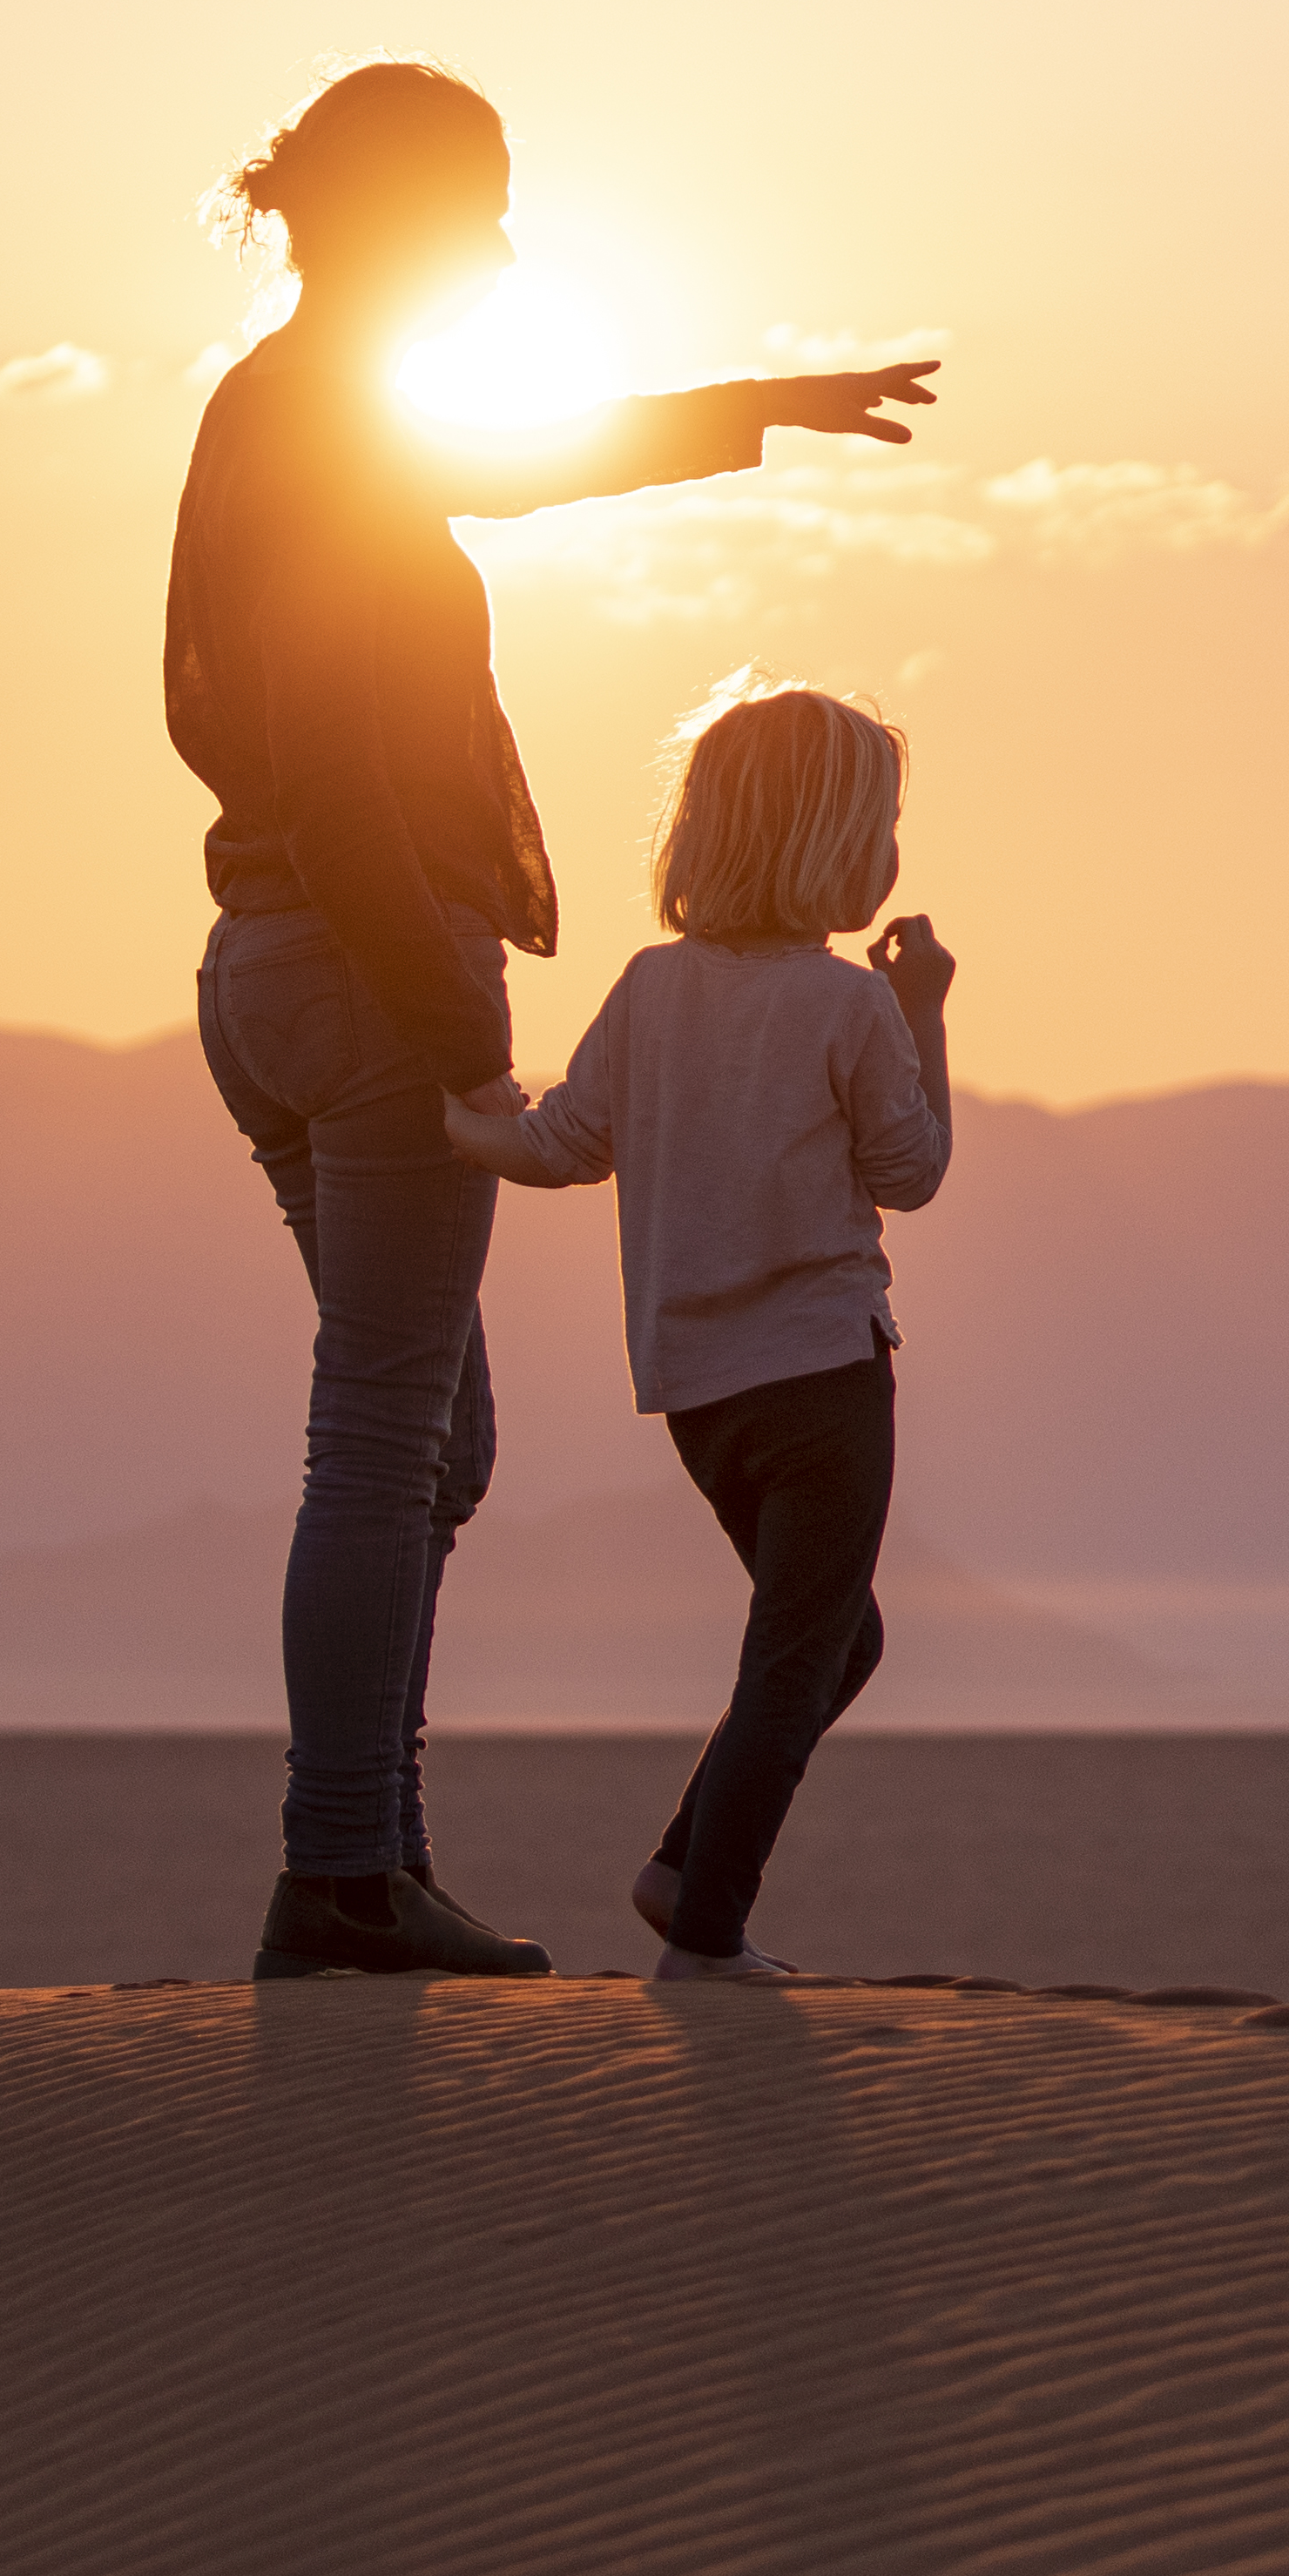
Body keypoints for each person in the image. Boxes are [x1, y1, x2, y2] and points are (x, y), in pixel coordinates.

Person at [165, 59, 936, 1985]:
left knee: (434, 1441)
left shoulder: (291, 408)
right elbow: (332, 752)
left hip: (271, 971)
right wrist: (442, 1006)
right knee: (383, 1435)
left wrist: (758, 403)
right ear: (404, 209)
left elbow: (510, 461)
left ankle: (370, 1852)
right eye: (483, 203)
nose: (506, 240)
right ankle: (342, 1870)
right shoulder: (318, 416)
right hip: (363, 966)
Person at [443, 681, 955, 1981]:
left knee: (841, 1640)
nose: (891, 851)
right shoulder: (848, 1008)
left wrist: (456, 1116)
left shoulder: (653, 989)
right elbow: (912, 1170)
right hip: (827, 1381)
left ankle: (683, 1865)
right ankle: (706, 1932)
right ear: (836, 844)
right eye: (880, 823)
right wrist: (925, 1012)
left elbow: (564, 1144)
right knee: (799, 1660)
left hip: (696, 1396)